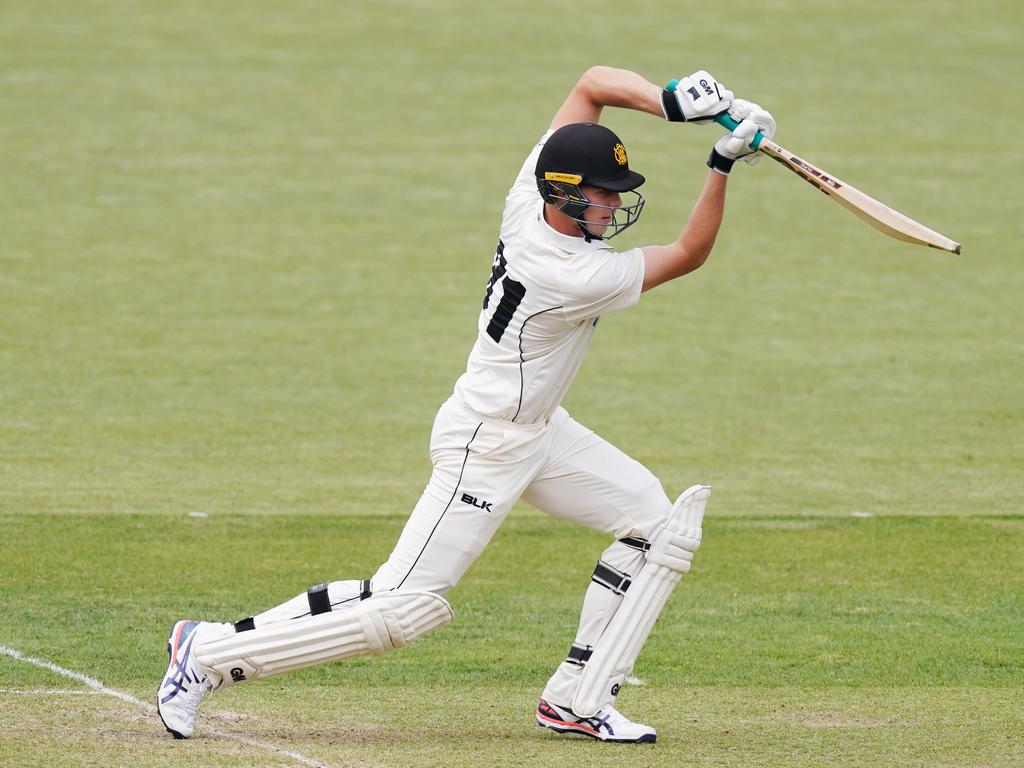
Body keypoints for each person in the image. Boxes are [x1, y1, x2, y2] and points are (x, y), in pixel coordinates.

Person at [157, 65, 775, 744]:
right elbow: (689, 253)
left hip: (539, 432)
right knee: (402, 608)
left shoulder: (527, 192)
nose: (612, 209)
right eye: (602, 197)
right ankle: (208, 654)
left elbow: (593, 83)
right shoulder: (572, 273)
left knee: (658, 528)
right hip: (486, 443)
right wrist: (720, 163)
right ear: (564, 195)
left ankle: (579, 697)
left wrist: (669, 103)